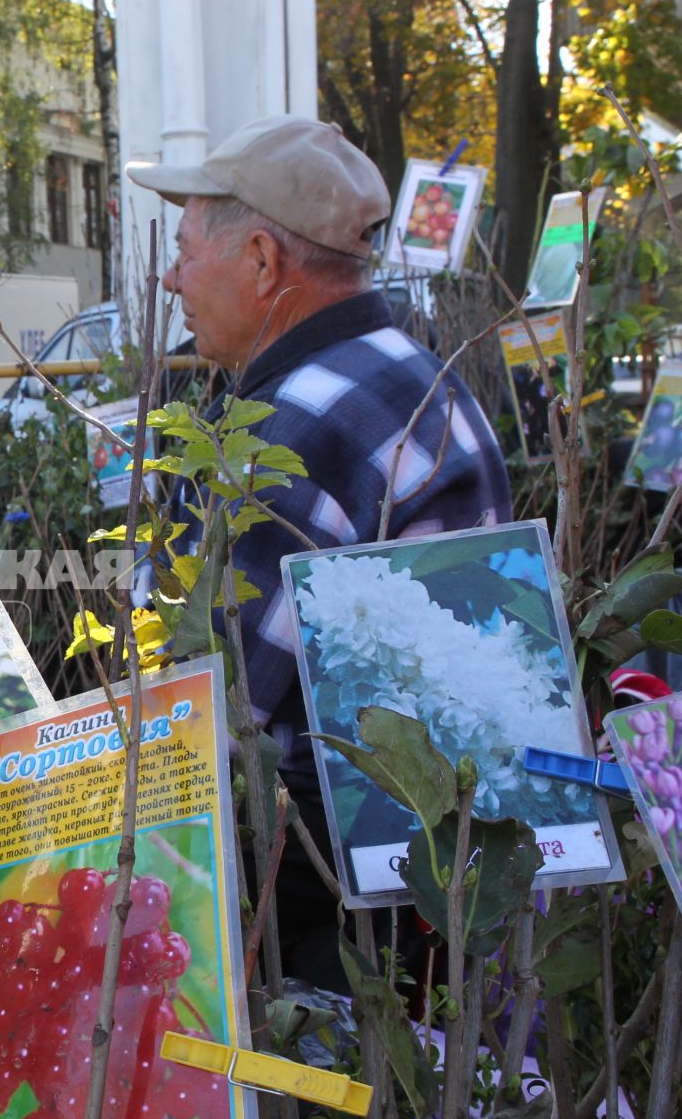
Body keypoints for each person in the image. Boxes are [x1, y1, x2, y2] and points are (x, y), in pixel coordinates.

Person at [127, 116, 513, 986]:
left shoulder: (284, 431)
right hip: (446, 869)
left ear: (263, 261)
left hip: (322, 905)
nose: (169, 276)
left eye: (186, 249)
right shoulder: (423, 375)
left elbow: (220, 727)